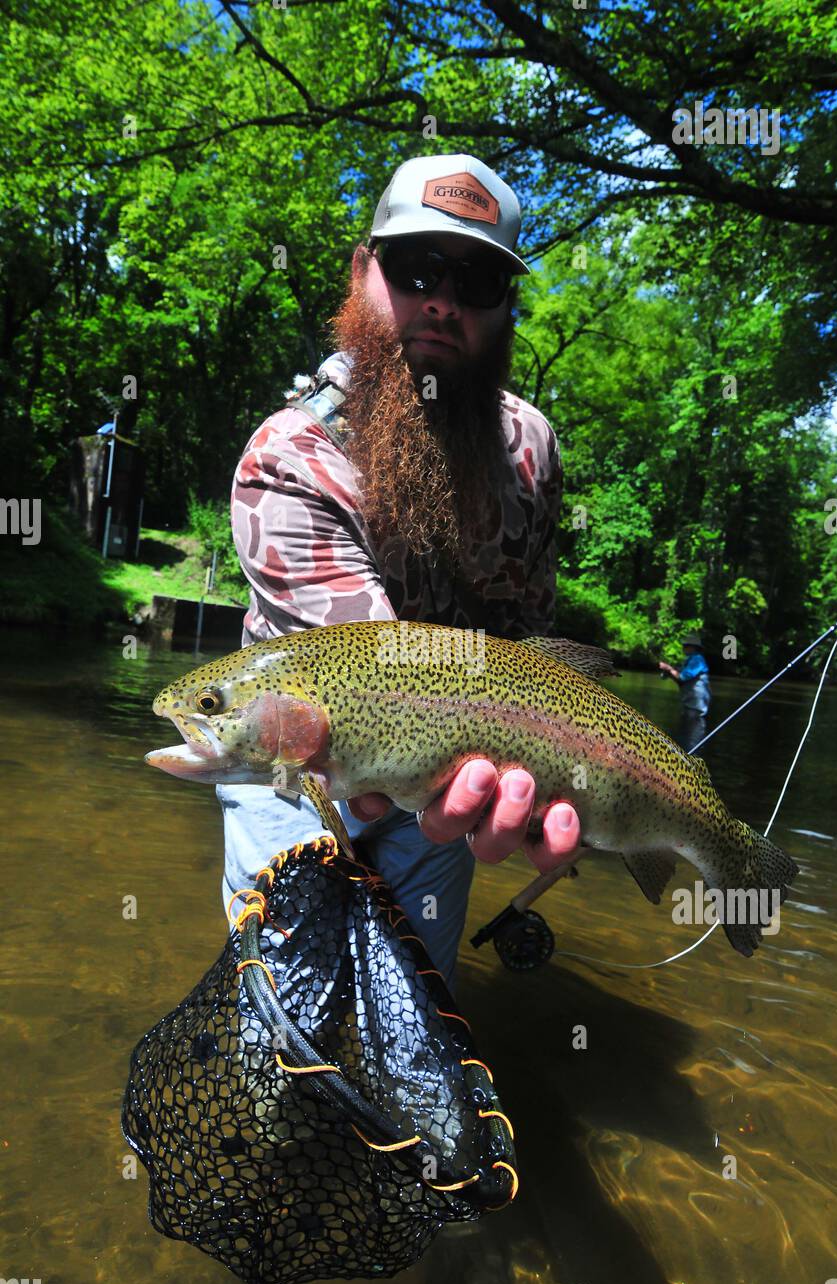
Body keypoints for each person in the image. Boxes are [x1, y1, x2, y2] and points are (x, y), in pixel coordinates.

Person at [219, 153, 579, 991]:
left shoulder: (530, 449)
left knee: (416, 1000)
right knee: (289, 1018)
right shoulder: (290, 454)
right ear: (362, 271)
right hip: (291, 764)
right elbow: (366, 691)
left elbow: (531, 651)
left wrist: (568, 779)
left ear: (504, 307)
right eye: (416, 268)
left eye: (478, 280)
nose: (443, 301)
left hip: (453, 781)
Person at [658, 633, 711, 752]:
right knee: (685, 740)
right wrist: (669, 672)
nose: (684, 648)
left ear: (693, 647)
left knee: (692, 741)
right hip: (690, 706)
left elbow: (683, 677)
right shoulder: (690, 661)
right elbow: (681, 682)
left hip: (696, 708)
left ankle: (692, 761)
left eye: (686, 645)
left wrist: (669, 669)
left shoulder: (697, 660)